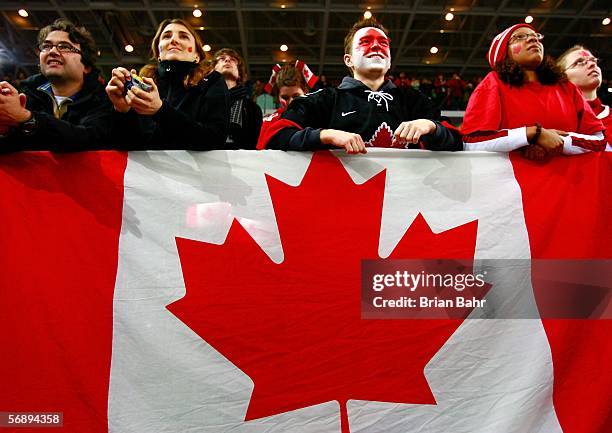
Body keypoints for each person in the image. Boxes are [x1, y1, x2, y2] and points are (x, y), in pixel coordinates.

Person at [258, 18, 461, 153]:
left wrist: (431, 127)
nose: (376, 46)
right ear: (348, 60)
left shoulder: (416, 101)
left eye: (383, 43)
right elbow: (273, 136)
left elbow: (458, 142)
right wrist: (325, 135)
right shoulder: (325, 99)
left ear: (389, 60)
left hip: (407, 209)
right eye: (365, 41)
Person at [461, 24, 605, 159]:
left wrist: (561, 142)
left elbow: (599, 141)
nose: (532, 38)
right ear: (503, 53)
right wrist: (531, 135)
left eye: (535, 36)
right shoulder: (493, 83)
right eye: (519, 37)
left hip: (571, 181)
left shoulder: (566, 87)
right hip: (513, 183)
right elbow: (472, 142)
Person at [106, 18, 229, 149]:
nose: (173, 40)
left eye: (183, 36)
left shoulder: (212, 80)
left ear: (196, 55)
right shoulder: (139, 85)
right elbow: (123, 146)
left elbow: (215, 137)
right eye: (166, 36)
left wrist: (160, 111)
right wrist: (121, 111)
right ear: (158, 53)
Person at [0, 18, 113, 151]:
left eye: (64, 47)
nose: (52, 51)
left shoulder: (106, 100)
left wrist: (28, 119)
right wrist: (4, 128)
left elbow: (88, 139)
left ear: (86, 66)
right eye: (46, 46)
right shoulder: (23, 95)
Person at [557, 45, 611, 148]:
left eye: (593, 61)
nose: (592, 64)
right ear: (561, 76)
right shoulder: (553, 117)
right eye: (579, 62)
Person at [256, 61, 316, 149]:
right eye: (285, 97)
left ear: (306, 92)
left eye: (296, 96)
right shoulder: (267, 123)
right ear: (278, 97)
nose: (291, 102)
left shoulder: (318, 116)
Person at [212, 48, 262, 149]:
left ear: (239, 74)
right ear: (213, 70)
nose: (227, 60)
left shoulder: (252, 108)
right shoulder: (202, 101)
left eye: (233, 60)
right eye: (222, 58)